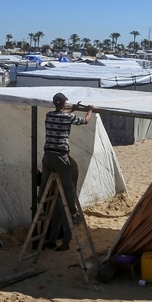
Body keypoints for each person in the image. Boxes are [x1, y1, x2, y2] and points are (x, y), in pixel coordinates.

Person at [40, 93, 97, 241]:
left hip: (47, 156)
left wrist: (72, 109)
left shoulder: (49, 115)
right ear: (64, 104)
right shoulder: (67, 117)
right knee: (68, 187)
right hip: (60, 156)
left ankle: (39, 209)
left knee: (44, 183)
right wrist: (89, 110)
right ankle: (73, 213)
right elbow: (85, 120)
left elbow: (60, 114)